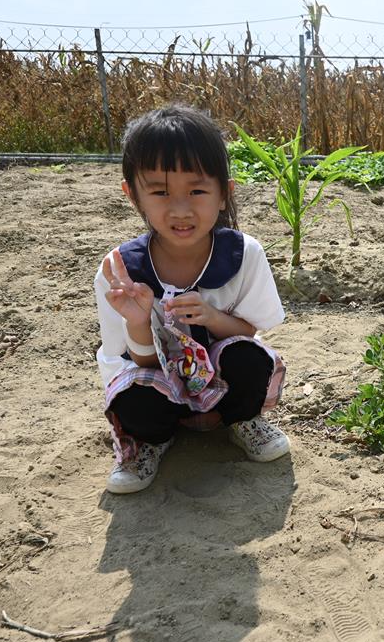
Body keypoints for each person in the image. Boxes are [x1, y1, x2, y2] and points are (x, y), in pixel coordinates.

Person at [94, 104, 289, 494]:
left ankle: (242, 420)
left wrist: (213, 317)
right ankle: (149, 442)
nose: (180, 209)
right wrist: (138, 322)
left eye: (197, 190)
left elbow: (249, 330)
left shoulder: (243, 255)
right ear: (133, 196)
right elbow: (137, 362)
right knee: (134, 398)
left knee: (248, 358)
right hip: (159, 384)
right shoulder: (120, 272)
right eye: (160, 192)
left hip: (219, 381)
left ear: (224, 194)